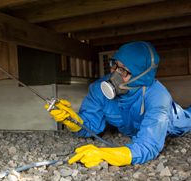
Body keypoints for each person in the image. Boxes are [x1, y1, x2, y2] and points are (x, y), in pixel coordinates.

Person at [45, 41, 191, 167]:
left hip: (174, 120)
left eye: (123, 71)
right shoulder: (98, 89)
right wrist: (72, 120)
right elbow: (89, 126)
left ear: (141, 76)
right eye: (114, 65)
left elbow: (149, 146)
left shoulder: (158, 97)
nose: (114, 74)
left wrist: (109, 155)